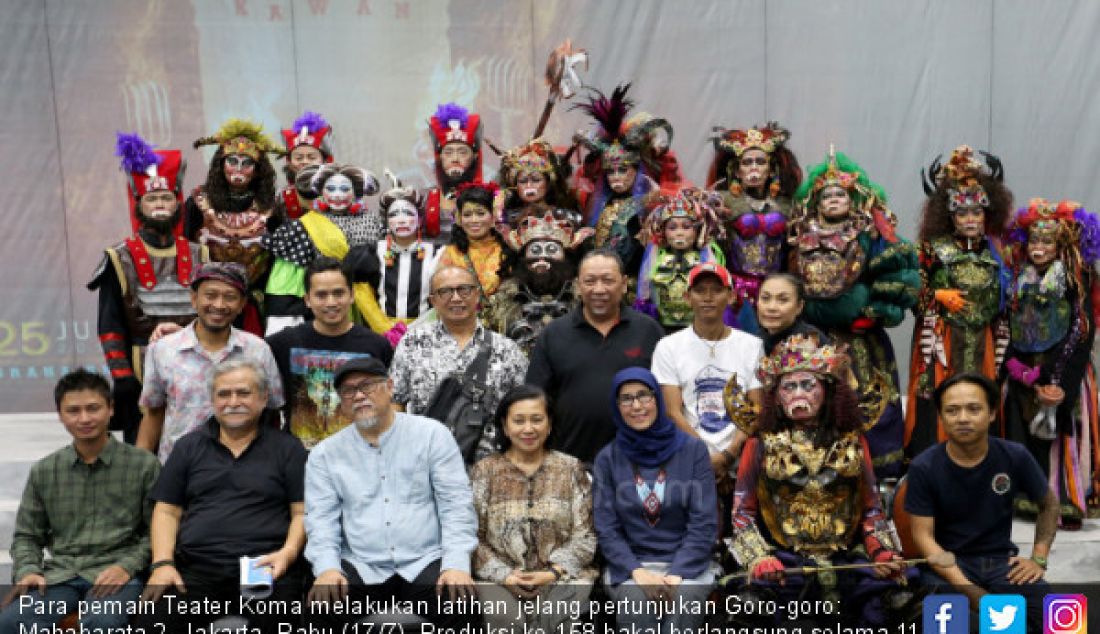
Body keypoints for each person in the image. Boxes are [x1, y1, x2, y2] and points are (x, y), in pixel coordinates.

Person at [728, 333, 909, 626]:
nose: (798, 393)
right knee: (750, 607)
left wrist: (881, 551)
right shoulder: (759, 443)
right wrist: (758, 557)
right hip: (785, 560)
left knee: (898, 598)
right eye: (789, 386)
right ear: (776, 395)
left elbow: (872, 508)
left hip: (846, 559)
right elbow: (742, 513)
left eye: (807, 385)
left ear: (827, 390)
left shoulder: (853, 440)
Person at [304, 357, 480, 631]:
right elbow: (321, 521)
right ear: (341, 401)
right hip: (362, 563)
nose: (359, 395)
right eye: (349, 391)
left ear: (389, 386)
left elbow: (456, 505)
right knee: (320, 609)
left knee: (462, 605)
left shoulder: (432, 435)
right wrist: (327, 568)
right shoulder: (324, 455)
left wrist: (456, 563)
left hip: (424, 560)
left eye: (367, 386)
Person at [136, 359, 307, 633]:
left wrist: (287, 553)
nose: (233, 401)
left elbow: (302, 512)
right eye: (224, 394)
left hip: (266, 567)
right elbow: (167, 511)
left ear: (264, 398)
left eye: (243, 393)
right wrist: (163, 563)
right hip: (197, 569)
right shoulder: (188, 447)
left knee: (282, 624)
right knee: (153, 623)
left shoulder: (288, 448)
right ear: (212, 400)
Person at [789, 149, 920, 478]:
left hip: (860, 339)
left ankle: (881, 475)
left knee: (870, 401)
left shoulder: (872, 234)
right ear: (815, 203)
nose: (833, 200)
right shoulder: (799, 237)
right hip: (813, 339)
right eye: (826, 195)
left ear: (853, 198)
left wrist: (873, 311)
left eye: (840, 194)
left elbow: (899, 275)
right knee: (817, 402)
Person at [0, 370, 159, 634]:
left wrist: (126, 566)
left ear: (111, 409)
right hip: (62, 574)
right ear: (60, 415)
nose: (84, 418)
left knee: (102, 622)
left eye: (93, 408)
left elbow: (156, 532)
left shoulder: (144, 466)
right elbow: (27, 535)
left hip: (119, 573)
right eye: (73, 411)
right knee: (11, 623)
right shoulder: (46, 470)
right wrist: (28, 570)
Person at [905, 372, 1057, 630]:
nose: (963, 418)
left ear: (992, 414)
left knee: (1062, 616)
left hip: (1001, 563)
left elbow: (1049, 504)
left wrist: (1038, 558)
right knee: (950, 623)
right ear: (941, 418)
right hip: (947, 566)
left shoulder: (1014, 456)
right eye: (952, 411)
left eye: (973, 409)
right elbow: (924, 539)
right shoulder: (924, 467)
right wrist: (973, 593)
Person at [88, 132, 207, 442]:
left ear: (177, 202)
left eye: (166, 198)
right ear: (138, 204)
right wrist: (123, 376)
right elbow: (110, 324)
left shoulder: (200, 254)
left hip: (196, 365)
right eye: (151, 198)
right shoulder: (119, 257)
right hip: (142, 369)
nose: (159, 205)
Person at [906, 145, 1013, 457]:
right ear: (949, 215)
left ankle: (981, 460)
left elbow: (1010, 296)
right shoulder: (930, 249)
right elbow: (911, 291)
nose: (970, 219)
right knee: (940, 397)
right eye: (962, 212)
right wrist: (936, 295)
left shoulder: (998, 252)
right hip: (944, 340)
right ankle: (934, 461)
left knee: (983, 395)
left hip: (985, 339)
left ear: (986, 214)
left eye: (976, 212)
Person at [593, 367, 718, 634]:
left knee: (684, 605)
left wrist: (677, 574)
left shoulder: (693, 450)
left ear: (658, 399)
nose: (636, 405)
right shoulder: (608, 458)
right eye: (626, 398)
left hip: (689, 566)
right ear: (616, 407)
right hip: (631, 566)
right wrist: (637, 572)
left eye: (644, 395)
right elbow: (607, 528)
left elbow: (704, 522)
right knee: (636, 605)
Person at [1002, 198, 1100, 527]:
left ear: (1060, 246)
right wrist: (1016, 368)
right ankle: (1026, 498)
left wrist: (1054, 378)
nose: (1039, 247)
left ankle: (1063, 499)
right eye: (1034, 240)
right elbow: (1010, 324)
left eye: (1047, 241)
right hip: (1025, 370)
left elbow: (1079, 331)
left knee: (1060, 432)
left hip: (1063, 370)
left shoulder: (1076, 279)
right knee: (1023, 430)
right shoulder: (1019, 278)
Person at [471, 385, 597, 633]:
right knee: (505, 619)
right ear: (505, 427)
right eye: (519, 421)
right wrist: (506, 575)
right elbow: (472, 536)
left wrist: (552, 572)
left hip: (563, 575)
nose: (528, 428)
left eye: (537, 419)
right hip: (497, 578)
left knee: (558, 619)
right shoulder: (484, 471)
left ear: (549, 424)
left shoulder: (571, 469)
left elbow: (586, 535)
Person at [526, 249, 665, 465]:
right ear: (578, 285)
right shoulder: (554, 334)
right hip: (570, 462)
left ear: (624, 283)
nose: (599, 289)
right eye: (589, 281)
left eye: (608, 280)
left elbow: (664, 397)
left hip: (639, 461)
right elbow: (535, 400)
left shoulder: (648, 331)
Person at [137, 262, 284, 461]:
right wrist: (140, 468)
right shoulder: (163, 350)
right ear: (193, 298)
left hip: (244, 467)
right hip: (180, 468)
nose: (219, 305)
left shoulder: (257, 350)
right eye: (210, 295)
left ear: (242, 305)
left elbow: (273, 409)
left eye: (230, 297)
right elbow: (153, 413)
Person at [389, 266, 527, 464]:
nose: (456, 298)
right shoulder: (413, 342)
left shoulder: (506, 349)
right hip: (426, 463)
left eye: (464, 289)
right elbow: (395, 401)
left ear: (477, 295)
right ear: (433, 300)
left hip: (490, 467)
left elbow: (523, 408)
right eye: (445, 291)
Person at [652, 262, 762, 496]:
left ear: (731, 296)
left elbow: (756, 408)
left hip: (741, 458)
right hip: (688, 456)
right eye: (700, 291)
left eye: (717, 290)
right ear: (687, 297)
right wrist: (707, 457)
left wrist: (729, 454)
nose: (708, 298)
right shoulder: (668, 346)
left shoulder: (751, 345)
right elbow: (672, 412)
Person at [265, 256, 393, 448]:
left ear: (352, 295)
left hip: (360, 454)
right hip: (300, 458)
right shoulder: (282, 344)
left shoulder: (376, 345)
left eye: (338, 293)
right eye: (321, 295)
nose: (331, 302)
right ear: (307, 299)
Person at [573, 83, 682, 277]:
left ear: (636, 170)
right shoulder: (597, 207)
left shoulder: (649, 205)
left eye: (622, 170)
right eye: (610, 171)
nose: (616, 177)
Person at [185, 119, 281, 335]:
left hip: (255, 301)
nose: (239, 169)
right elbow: (186, 250)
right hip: (210, 303)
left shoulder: (271, 207)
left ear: (257, 170)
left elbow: (277, 259)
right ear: (221, 164)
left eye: (246, 163)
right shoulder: (198, 202)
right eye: (232, 161)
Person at [264, 162, 383, 333]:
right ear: (321, 192)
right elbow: (287, 278)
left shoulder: (375, 223)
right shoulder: (302, 227)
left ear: (355, 192)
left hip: (369, 305)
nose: (337, 195)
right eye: (331, 189)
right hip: (324, 306)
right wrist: (284, 320)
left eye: (344, 189)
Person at [707, 122, 802, 332]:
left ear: (771, 170)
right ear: (737, 171)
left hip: (777, 288)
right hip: (738, 289)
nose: (753, 168)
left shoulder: (788, 204)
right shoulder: (721, 201)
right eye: (747, 163)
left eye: (760, 162)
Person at [347, 169, 443, 344]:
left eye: (408, 213)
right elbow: (362, 295)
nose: (401, 220)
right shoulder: (369, 254)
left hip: (429, 337)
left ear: (420, 219)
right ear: (386, 221)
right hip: (380, 337)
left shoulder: (439, 253)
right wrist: (386, 331)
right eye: (393, 214)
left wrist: (424, 328)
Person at [484, 209, 592, 353]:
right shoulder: (502, 300)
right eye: (535, 250)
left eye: (551, 250)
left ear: (565, 257)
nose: (542, 258)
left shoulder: (584, 298)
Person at [634, 187, 726, 331]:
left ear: (697, 230)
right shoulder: (655, 256)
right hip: (661, 329)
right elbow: (644, 294)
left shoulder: (707, 256)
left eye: (686, 227)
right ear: (663, 230)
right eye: (672, 227)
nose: (679, 233)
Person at [437, 180, 510, 298]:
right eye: (467, 215)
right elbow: (441, 292)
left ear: (493, 218)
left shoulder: (506, 251)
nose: (474, 220)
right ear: (459, 219)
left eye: (480, 213)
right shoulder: (451, 253)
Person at [426, 102, 484, 241]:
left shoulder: (493, 199)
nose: (455, 159)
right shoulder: (425, 200)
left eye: (463, 152)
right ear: (439, 156)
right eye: (448, 152)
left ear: (475, 156)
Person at [497, 137, 582, 227]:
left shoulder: (568, 217)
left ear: (548, 183)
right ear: (515, 186)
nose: (529, 185)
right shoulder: (505, 220)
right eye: (523, 181)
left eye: (536, 180)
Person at [276, 110, 334, 221]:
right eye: (298, 158)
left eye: (312, 157)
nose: (305, 162)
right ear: (289, 162)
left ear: (325, 160)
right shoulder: (283, 196)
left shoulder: (338, 190)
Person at [754, 273, 827, 355]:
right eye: (765, 298)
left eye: (783, 300)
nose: (771, 307)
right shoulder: (753, 340)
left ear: (799, 306)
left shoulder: (812, 341)